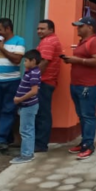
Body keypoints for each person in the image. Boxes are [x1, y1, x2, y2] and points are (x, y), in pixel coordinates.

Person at [61, 17, 96, 160]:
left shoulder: (95, 42)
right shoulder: (83, 42)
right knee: (82, 115)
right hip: (77, 85)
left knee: (88, 116)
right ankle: (84, 142)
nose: (78, 28)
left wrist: (77, 60)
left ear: (90, 27)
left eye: (81, 26)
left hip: (88, 86)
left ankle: (88, 145)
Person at [0, 18, 26, 156]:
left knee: (8, 110)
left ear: (8, 29)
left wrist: (1, 48)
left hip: (12, 82)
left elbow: (17, 60)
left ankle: (0, 139)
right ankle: (6, 139)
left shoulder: (19, 41)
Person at [35, 19, 63, 153]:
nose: (39, 31)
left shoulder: (48, 42)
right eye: (38, 28)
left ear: (51, 30)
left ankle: (40, 144)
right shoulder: (50, 40)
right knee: (42, 113)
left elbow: (44, 62)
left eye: (42, 29)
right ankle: (39, 143)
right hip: (47, 82)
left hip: (44, 81)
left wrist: (33, 79)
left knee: (42, 114)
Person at [11, 50, 42, 164]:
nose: (24, 63)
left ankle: (26, 155)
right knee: (27, 129)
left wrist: (20, 99)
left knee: (26, 130)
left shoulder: (34, 73)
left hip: (28, 106)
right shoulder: (31, 72)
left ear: (33, 61)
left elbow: (34, 91)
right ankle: (27, 153)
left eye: (26, 61)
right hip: (26, 106)